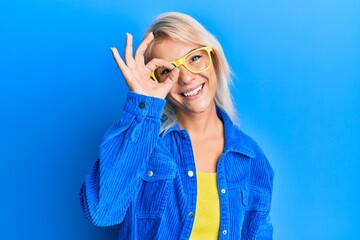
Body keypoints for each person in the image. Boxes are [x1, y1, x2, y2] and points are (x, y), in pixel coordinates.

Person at [80, 12, 274, 240]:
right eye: (167, 70)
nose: (186, 78)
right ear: (156, 80)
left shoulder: (251, 158)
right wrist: (144, 105)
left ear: (214, 58)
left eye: (194, 58)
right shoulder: (147, 145)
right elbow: (102, 213)